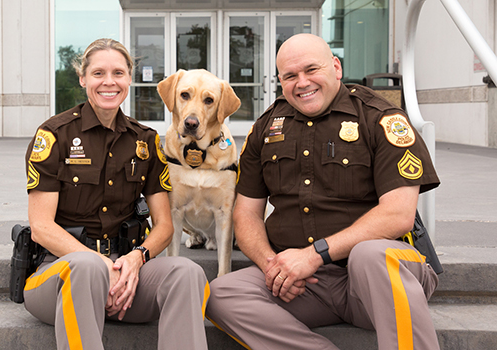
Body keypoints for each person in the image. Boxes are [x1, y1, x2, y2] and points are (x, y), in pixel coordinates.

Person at [206, 33, 441, 349]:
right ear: (280, 80)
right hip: (305, 287)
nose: (302, 82)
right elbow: (246, 213)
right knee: (219, 294)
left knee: (370, 254)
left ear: (336, 67)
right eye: (290, 76)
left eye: (311, 70)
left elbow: (398, 215)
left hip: (378, 280)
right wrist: (272, 266)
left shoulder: (380, 118)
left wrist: (314, 255)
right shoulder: (265, 128)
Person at [23, 38, 209, 350]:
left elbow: (164, 226)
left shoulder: (146, 141)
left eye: (118, 73)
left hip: (125, 275)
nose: (109, 82)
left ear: (129, 79)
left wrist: (137, 258)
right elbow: (41, 228)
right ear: (83, 79)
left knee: (187, 272)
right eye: (98, 73)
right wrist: (101, 264)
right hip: (58, 276)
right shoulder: (54, 136)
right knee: (87, 267)